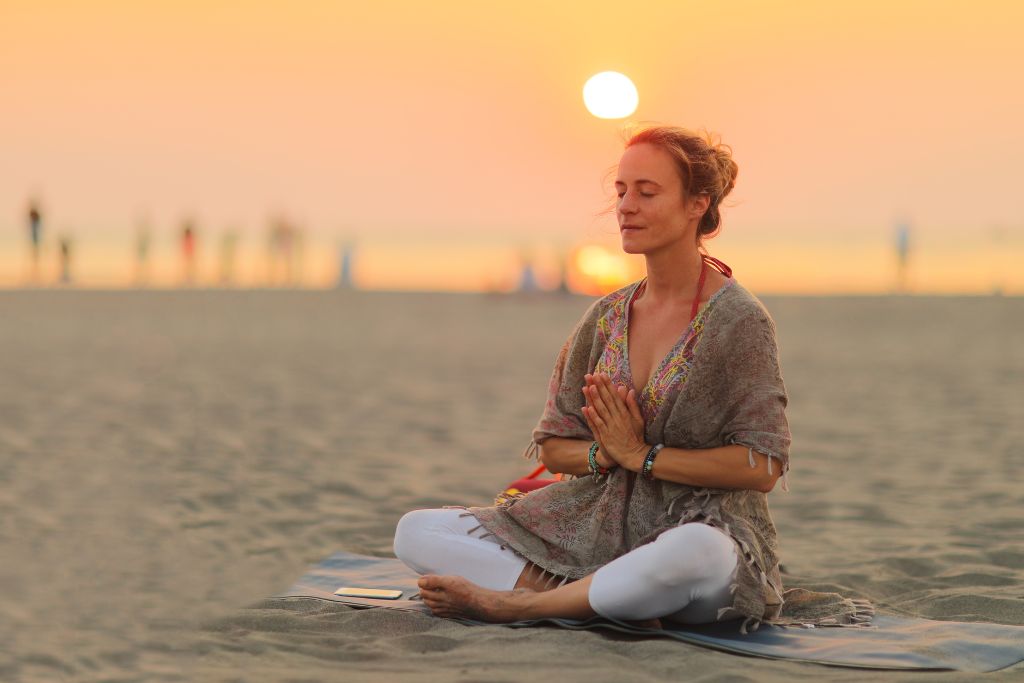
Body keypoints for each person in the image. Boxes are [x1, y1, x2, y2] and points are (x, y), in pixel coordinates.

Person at [393, 126, 872, 633]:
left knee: (694, 552)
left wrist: (643, 456)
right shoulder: (606, 316)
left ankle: (522, 604)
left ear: (696, 205)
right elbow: (555, 446)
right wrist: (608, 453)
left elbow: (762, 467)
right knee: (416, 532)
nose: (626, 206)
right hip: (597, 527)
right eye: (621, 191)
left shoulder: (739, 320)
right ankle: (603, 596)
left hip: (702, 530)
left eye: (647, 192)